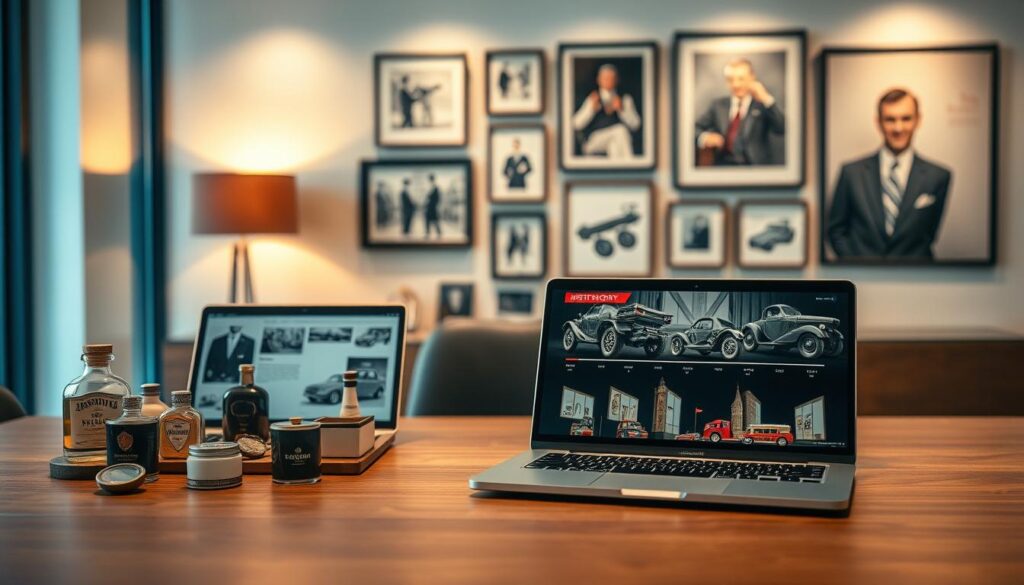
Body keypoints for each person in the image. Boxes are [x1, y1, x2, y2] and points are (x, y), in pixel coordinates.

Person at [827, 88, 951, 260]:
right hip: (862, 279)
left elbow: (929, 235)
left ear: (918, 120)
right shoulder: (851, 173)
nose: (898, 128)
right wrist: (856, 265)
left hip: (917, 279)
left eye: (906, 118)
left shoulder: (938, 176)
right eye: (890, 119)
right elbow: (835, 230)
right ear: (878, 122)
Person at [694, 58, 785, 166]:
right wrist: (704, 137)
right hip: (723, 166)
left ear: (752, 78)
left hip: (755, 167)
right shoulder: (718, 105)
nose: (736, 84)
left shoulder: (762, 105)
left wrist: (765, 98)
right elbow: (693, 129)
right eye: (730, 79)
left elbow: (781, 128)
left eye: (741, 79)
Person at [571, 64, 641, 160]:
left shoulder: (624, 99)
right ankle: (631, 169)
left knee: (614, 146)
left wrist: (622, 110)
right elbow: (576, 124)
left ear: (617, 80)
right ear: (598, 80)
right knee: (620, 131)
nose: (608, 81)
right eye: (605, 78)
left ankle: (619, 172)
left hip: (617, 139)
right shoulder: (592, 98)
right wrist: (590, 110)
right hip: (594, 141)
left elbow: (636, 125)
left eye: (611, 78)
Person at [423, 174, 442, 238]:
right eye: (430, 179)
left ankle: (439, 233)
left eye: (431, 179)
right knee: (427, 220)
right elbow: (427, 198)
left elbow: (438, 198)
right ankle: (428, 234)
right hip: (429, 207)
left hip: (433, 207)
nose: (430, 181)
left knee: (435, 220)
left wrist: (436, 205)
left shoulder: (436, 188)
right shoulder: (430, 188)